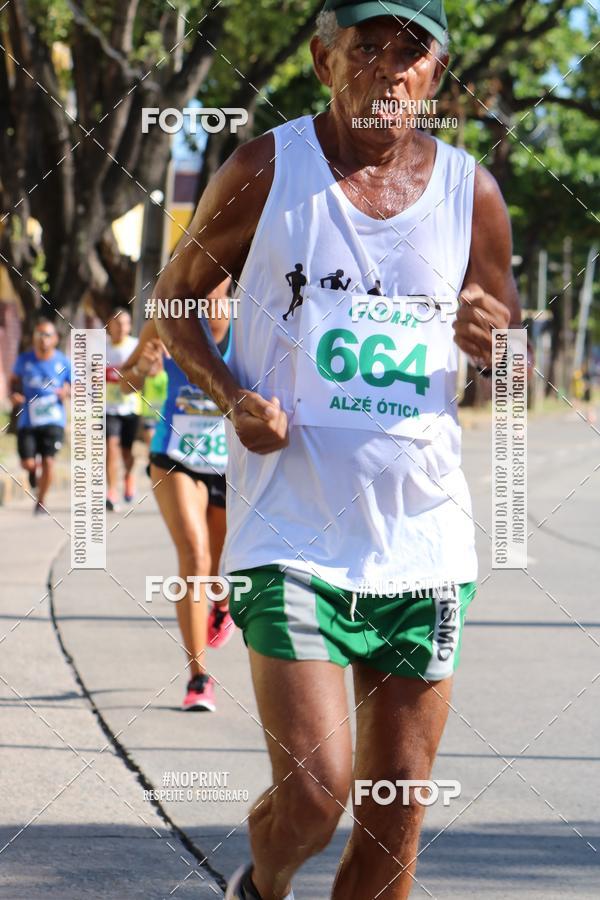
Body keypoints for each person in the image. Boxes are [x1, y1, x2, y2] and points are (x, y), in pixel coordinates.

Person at [152, 1, 524, 896]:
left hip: (425, 541)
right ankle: (262, 884)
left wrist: (497, 346)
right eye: (368, 49)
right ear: (325, 60)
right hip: (293, 536)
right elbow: (173, 300)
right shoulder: (267, 167)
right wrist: (236, 396)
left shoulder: (470, 191)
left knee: (394, 822)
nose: (390, 70)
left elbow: (509, 362)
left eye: (412, 53)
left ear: (437, 75)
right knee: (316, 801)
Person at [120, 288, 234, 711]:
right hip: (174, 455)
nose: (205, 282)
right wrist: (143, 370)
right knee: (195, 555)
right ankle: (198, 678)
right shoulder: (167, 316)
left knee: (221, 567)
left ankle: (221, 603)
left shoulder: (250, 321)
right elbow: (128, 377)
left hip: (228, 462)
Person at [10, 318, 71, 515]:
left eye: (47, 335)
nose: (43, 339)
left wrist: (66, 392)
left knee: (49, 461)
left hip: (53, 418)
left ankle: (41, 501)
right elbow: (14, 381)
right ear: (34, 338)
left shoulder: (62, 361)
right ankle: (33, 472)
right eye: (39, 335)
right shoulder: (25, 360)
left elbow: (76, 384)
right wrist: (14, 394)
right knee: (28, 462)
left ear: (54, 339)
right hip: (28, 417)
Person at [105, 308, 141, 511]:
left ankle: (128, 476)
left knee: (127, 452)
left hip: (131, 407)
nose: (120, 328)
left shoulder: (135, 346)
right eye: (117, 324)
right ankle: (111, 490)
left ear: (129, 326)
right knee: (111, 446)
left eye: (124, 324)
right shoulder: (101, 348)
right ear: (109, 325)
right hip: (109, 408)